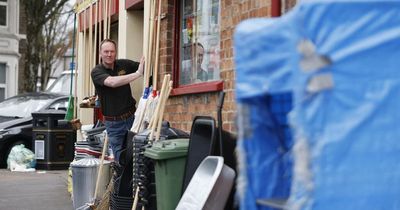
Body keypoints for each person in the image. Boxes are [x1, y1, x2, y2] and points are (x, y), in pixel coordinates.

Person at [91, 39, 144, 164]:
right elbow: (112, 82)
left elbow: (145, 66)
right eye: (106, 51)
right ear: (100, 53)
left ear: (115, 53)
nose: (109, 54)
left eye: (112, 51)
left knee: (138, 155)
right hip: (114, 124)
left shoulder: (123, 65)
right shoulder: (97, 72)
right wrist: (138, 74)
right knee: (121, 160)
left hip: (132, 118)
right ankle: (122, 183)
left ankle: (135, 184)